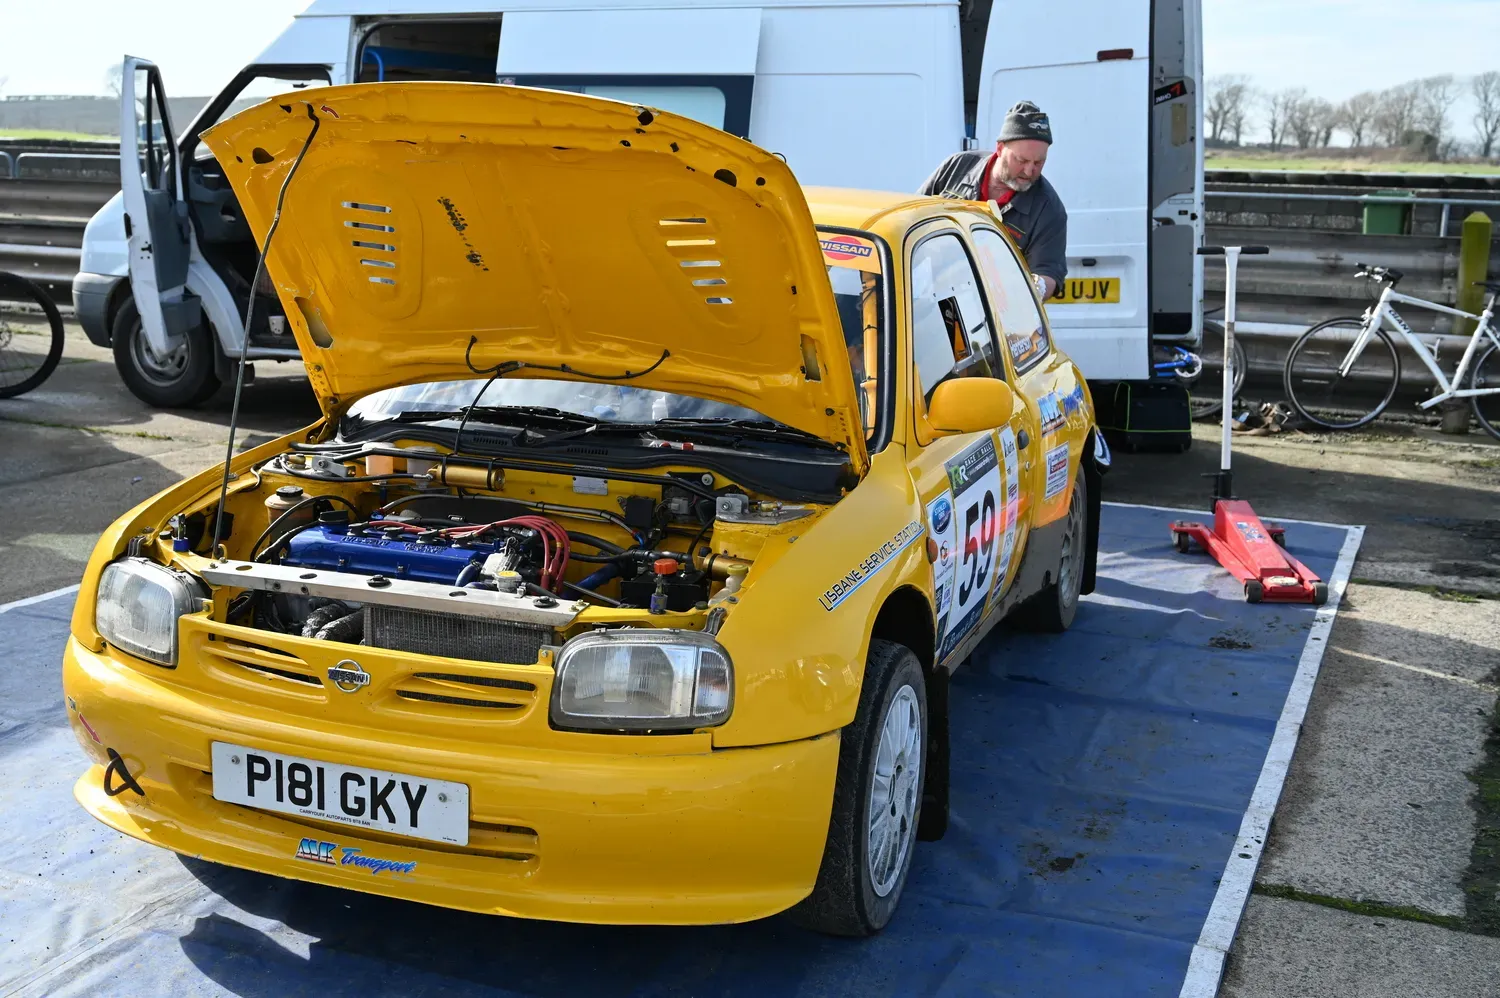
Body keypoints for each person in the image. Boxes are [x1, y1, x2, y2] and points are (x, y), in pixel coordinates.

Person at [918, 100, 1068, 300]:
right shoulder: (956, 167)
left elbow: (1049, 273)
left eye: (1039, 162)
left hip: (994, 317)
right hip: (930, 300)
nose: (1029, 171)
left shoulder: (1049, 209)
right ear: (999, 148)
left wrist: (1033, 289)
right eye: (1021, 160)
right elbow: (912, 216)